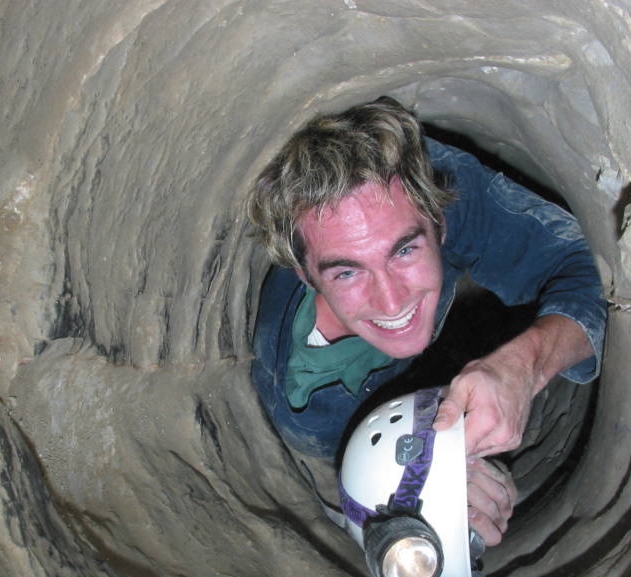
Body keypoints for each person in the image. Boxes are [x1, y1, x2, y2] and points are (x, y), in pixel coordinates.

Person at [247, 97, 605, 546]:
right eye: (347, 272)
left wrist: (525, 365)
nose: (391, 299)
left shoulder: (419, 182)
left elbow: (594, 268)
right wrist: (430, 476)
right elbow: (369, 497)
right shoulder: (310, 407)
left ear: (439, 221)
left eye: (403, 250)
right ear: (305, 275)